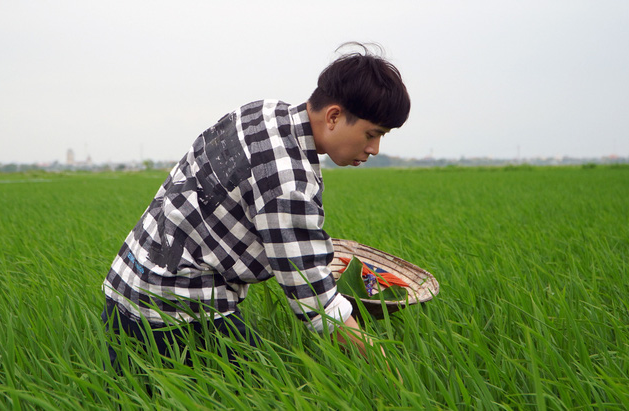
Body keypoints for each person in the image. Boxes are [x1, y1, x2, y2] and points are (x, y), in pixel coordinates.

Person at [101, 42, 410, 368]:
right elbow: (316, 305)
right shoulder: (289, 184)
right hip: (173, 313)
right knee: (272, 388)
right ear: (334, 116)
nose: (374, 148)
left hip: (126, 284)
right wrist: (386, 366)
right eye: (371, 134)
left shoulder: (263, 111)